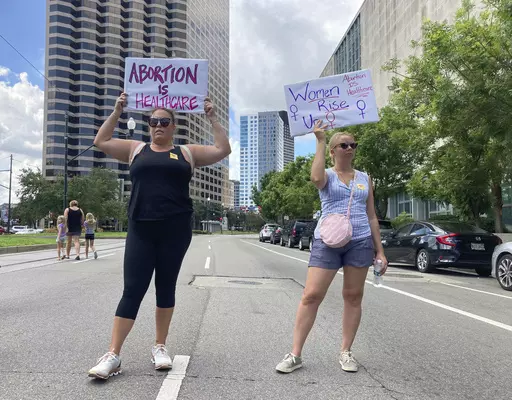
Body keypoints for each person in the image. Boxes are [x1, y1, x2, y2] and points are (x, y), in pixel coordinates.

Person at [87, 93, 231, 380]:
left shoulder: (187, 153)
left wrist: (212, 117)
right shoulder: (136, 149)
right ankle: (113, 354)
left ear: (173, 126)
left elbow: (222, 149)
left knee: (165, 288)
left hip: (175, 231)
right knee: (133, 289)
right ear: (148, 125)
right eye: (153, 121)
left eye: (165, 121)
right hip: (141, 228)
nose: (158, 126)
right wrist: (117, 112)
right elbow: (100, 142)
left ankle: (160, 347)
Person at [276, 121, 388, 374]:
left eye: (353, 145)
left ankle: (346, 351)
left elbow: (371, 216)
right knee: (311, 295)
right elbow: (315, 178)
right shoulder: (326, 174)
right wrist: (320, 140)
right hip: (327, 241)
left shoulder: (364, 179)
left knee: (353, 296)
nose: (349, 148)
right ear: (333, 151)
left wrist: (379, 250)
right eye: (343, 145)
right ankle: (295, 354)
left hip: (359, 241)